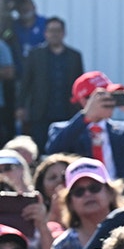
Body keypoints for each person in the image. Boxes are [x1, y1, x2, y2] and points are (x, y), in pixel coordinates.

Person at [46, 71, 124, 200]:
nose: (111, 102)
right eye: (105, 98)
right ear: (84, 100)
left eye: (113, 97)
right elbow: (54, 151)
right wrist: (86, 117)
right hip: (86, 202)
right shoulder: (64, 130)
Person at [16, 16, 83, 151]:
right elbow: (25, 83)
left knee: (67, 148)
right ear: (45, 33)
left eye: (58, 30)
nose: (54, 34)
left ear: (64, 33)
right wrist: (21, 106)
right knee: (41, 148)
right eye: (51, 31)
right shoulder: (35, 55)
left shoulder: (74, 56)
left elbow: (80, 84)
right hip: (42, 112)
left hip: (67, 111)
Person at [49, 157, 124, 249]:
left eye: (94, 188)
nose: (87, 194)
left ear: (110, 193)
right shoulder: (62, 247)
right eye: (79, 191)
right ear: (70, 203)